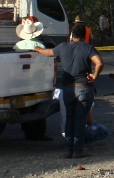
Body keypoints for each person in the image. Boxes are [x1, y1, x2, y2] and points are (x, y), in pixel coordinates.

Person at [34, 23, 103, 159]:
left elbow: (48, 52)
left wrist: (37, 49)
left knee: (70, 119)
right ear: (84, 36)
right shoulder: (88, 48)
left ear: (71, 35)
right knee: (80, 119)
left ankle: (68, 149)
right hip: (83, 87)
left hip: (68, 88)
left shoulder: (63, 47)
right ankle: (78, 149)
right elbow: (99, 62)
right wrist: (94, 76)